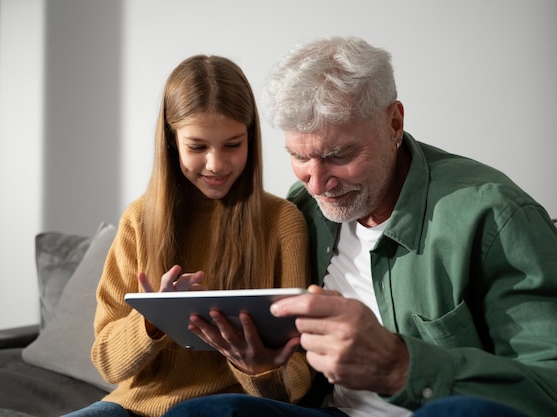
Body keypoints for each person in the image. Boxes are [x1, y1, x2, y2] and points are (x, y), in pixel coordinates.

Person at [162, 37, 557, 417]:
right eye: (299, 156)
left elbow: (549, 385)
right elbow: (295, 386)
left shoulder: (495, 215)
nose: (316, 184)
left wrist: (401, 366)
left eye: (339, 155)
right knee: (203, 412)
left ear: (394, 122)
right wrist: (264, 365)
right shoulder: (303, 211)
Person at [62, 55, 314, 417]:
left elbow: (299, 379)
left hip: (227, 407)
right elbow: (106, 362)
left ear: (251, 138)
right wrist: (152, 320)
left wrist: (259, 366)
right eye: (197, 147)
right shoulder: (138, 220)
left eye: (232, 144)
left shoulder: (282, 223)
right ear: (171, 141)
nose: (216, 164)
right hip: (131, 408)